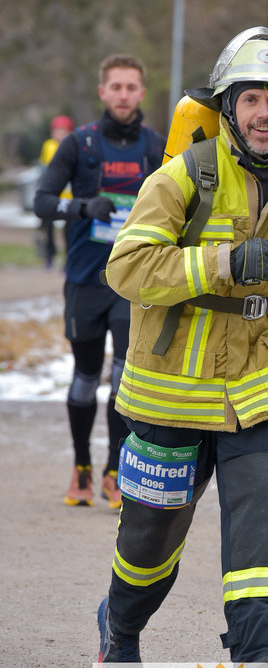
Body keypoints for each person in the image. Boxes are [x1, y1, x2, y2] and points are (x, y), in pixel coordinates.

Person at [96, 26, 268, 668]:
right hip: (173, 390)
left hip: (261, 384)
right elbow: (129, 266)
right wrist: (224, 261)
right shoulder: (183, 176)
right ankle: (120, 627)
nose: (265, 113)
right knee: (149, 543)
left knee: (259, 533)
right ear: (227, 106)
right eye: (251, 98)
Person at [34, 55, 165, 510]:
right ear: (103, 92)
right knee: (86, 376)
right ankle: (81, 467)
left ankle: (114, 470)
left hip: (134, 284)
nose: (124, 95)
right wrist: (82, 207)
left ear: (142, 93)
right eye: (117, 87)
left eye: (132, 87)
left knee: (124, 380)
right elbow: (42, 201)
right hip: (86, 280)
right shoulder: (79, 143)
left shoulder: (155, 148)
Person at [36, 115, 74, 268]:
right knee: (48, 227)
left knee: (68, 231)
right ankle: (49, 255)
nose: (59, 134)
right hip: (52, 195)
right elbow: (43, 167)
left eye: (62, 131)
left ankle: (68, 258)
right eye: (56, 131)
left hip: (69, 196)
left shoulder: (73, 145)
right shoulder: (48, 146)